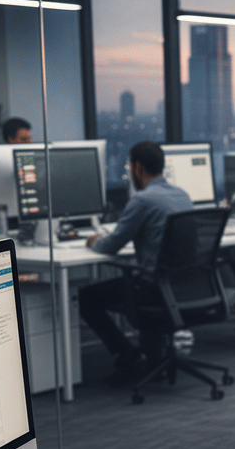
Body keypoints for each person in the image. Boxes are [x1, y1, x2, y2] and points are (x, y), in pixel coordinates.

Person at [78, 141, 193, 383]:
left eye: (130, 167)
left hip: (153, 290)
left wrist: (93, 241)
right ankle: (148, 357)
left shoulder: (142, 200)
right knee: (142, 279)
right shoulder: (183, 195)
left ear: (138, 168)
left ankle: (129, 356)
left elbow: (110, 246)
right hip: (182, 286)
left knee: (87, 298)